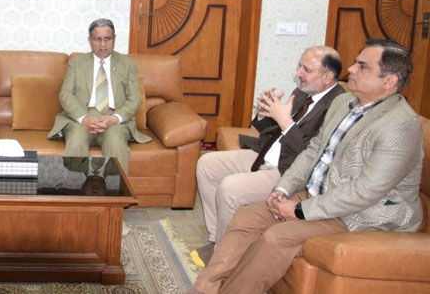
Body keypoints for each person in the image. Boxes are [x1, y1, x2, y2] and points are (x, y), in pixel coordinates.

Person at [188, 39, 423, 294]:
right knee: (248, 216)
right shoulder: (345, 104)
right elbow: (313, 152)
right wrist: (283, 189)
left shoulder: (400, 126)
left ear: (388, 81)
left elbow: (365, 192)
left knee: (276, 237)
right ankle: (204, 288)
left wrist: (300, 210)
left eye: (362, 66)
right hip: (318, 193)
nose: (352, 69)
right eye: (355, 62)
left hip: (357, 213)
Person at [191, 46, 345, 266]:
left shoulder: (339, 106)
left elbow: (312, 155)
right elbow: (275, 130)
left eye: (306, 69)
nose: (299, 73)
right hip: (265, 154)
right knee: (207, 164)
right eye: (300, 66)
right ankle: (218, 238)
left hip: (288, 171)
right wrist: (264, 114)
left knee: (229, 188)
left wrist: (285, 122)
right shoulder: (303, 92)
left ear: (328, 76)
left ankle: (223, 254)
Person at [48, 18, 150, 170]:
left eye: (107, 39)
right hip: (81, 119)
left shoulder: (128, 64)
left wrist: (114, 119)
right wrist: (85, 118)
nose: (103, 44)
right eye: (97, 39)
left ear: (114, 38)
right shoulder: (77, 63)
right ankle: (75, 191)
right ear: (90, 40)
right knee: (76, 143)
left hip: (114, 119)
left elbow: (134, 99)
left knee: (116, 146)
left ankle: (114, 192)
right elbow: (66, 95)